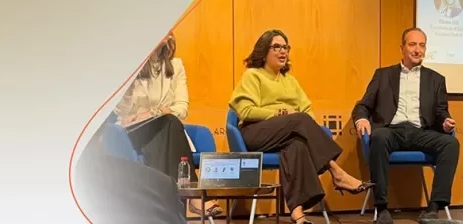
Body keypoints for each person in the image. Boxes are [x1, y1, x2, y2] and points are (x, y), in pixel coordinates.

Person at [229, 29, 375, 224]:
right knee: (298, 121)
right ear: (264, 51)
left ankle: (298, 215)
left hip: (287, 133)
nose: (283, 52)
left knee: (296, 145)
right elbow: (245, 111)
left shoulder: (290, 81)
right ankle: (336, 172)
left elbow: (307, 111)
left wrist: (293, 120)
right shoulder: (253, 75)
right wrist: (280, 113)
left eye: (285, 47)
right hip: (255, 132)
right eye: (277, 47)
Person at [352, 27, 460, 223]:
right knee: (378, 137)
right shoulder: (383, 75)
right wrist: (362, 118)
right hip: (391, 130)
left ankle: (434, 208)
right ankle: (382, 208)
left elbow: (441, 112)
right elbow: (363, 105)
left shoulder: (436, 79)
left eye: (422, 45)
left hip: (420, 131)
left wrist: (445, 122)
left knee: (451, 144)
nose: (418, 50)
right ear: (402, 48)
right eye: (412, 44)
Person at [113, 33, 222, 217]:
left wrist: (153, 113)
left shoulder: (176, 66)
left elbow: (181, 108)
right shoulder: (130, 65)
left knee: (169, 123)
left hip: (165, 129)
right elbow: (120, 111)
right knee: (169, 123)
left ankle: (163, 206)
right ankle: (192, 198)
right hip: (133, 132)